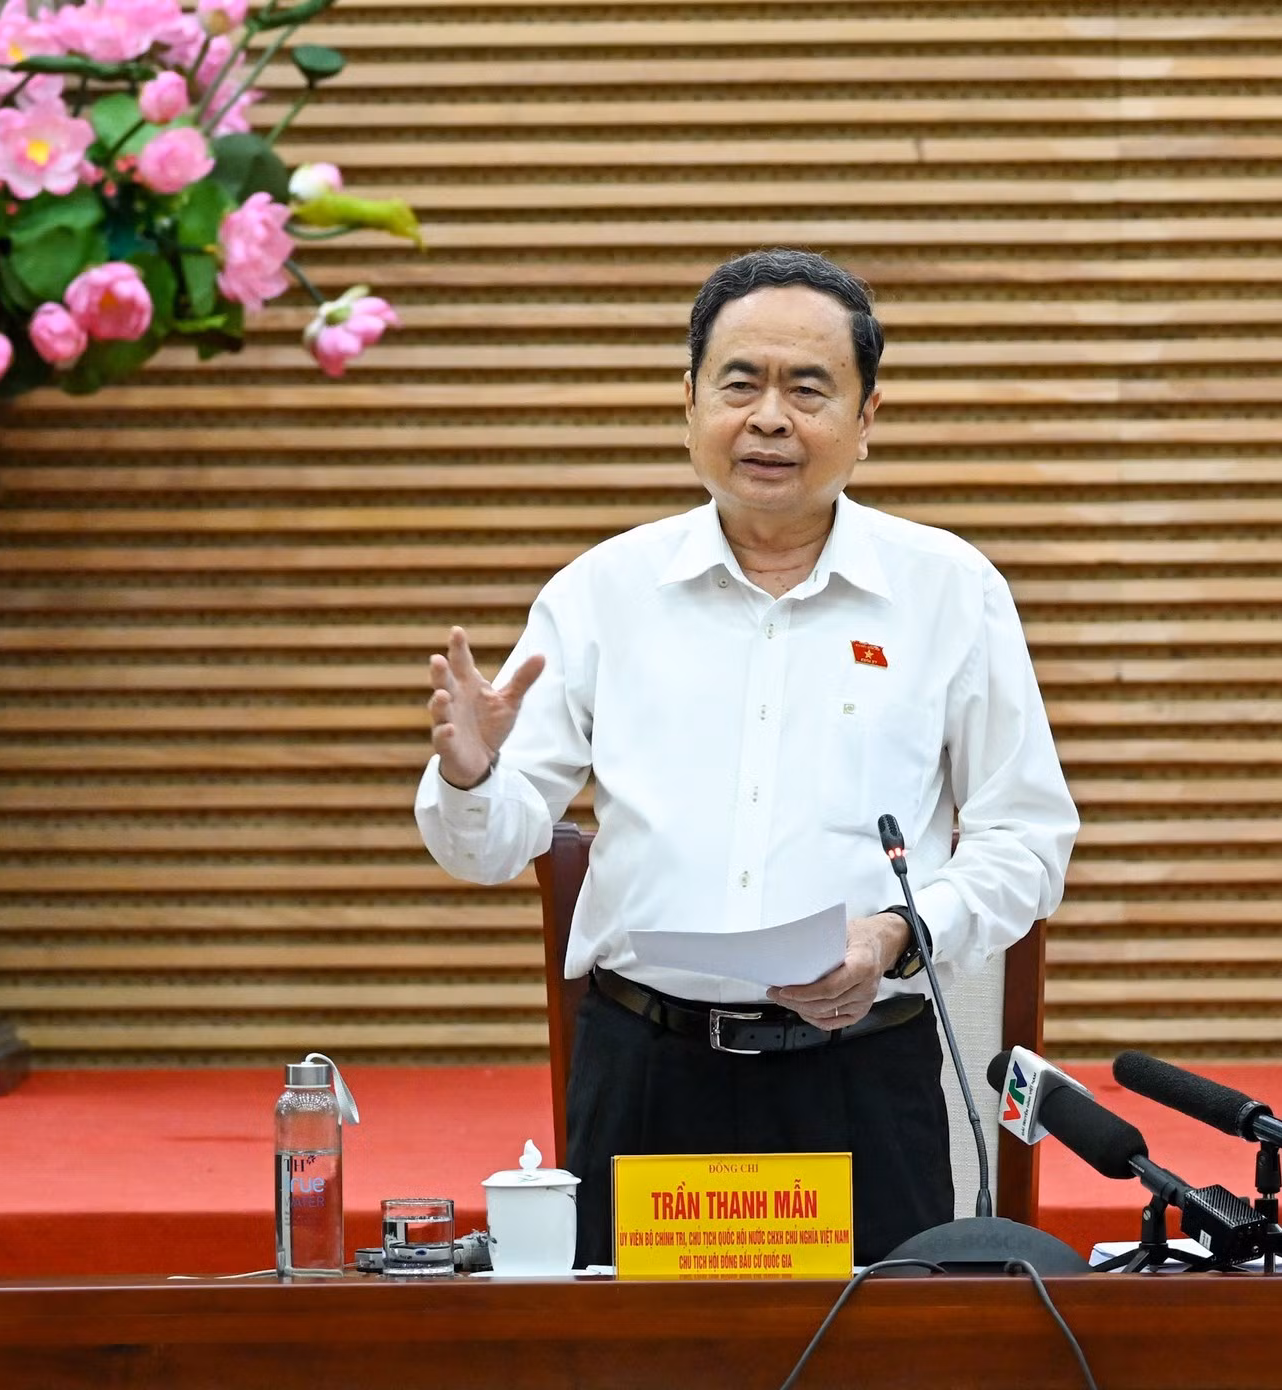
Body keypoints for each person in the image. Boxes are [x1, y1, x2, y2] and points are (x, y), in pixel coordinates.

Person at [415, 247, 1077, 1267]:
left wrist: (898, 935)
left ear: (866, 419)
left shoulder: (949, 591)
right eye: (739, 383)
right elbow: (485, 848)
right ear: (686, 404)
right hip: (646, 1074)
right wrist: (469, 774)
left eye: (808, 389)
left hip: (857, 1079)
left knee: (876, 1368)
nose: (769, 417)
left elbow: (1025, 841)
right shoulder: (602, 593)